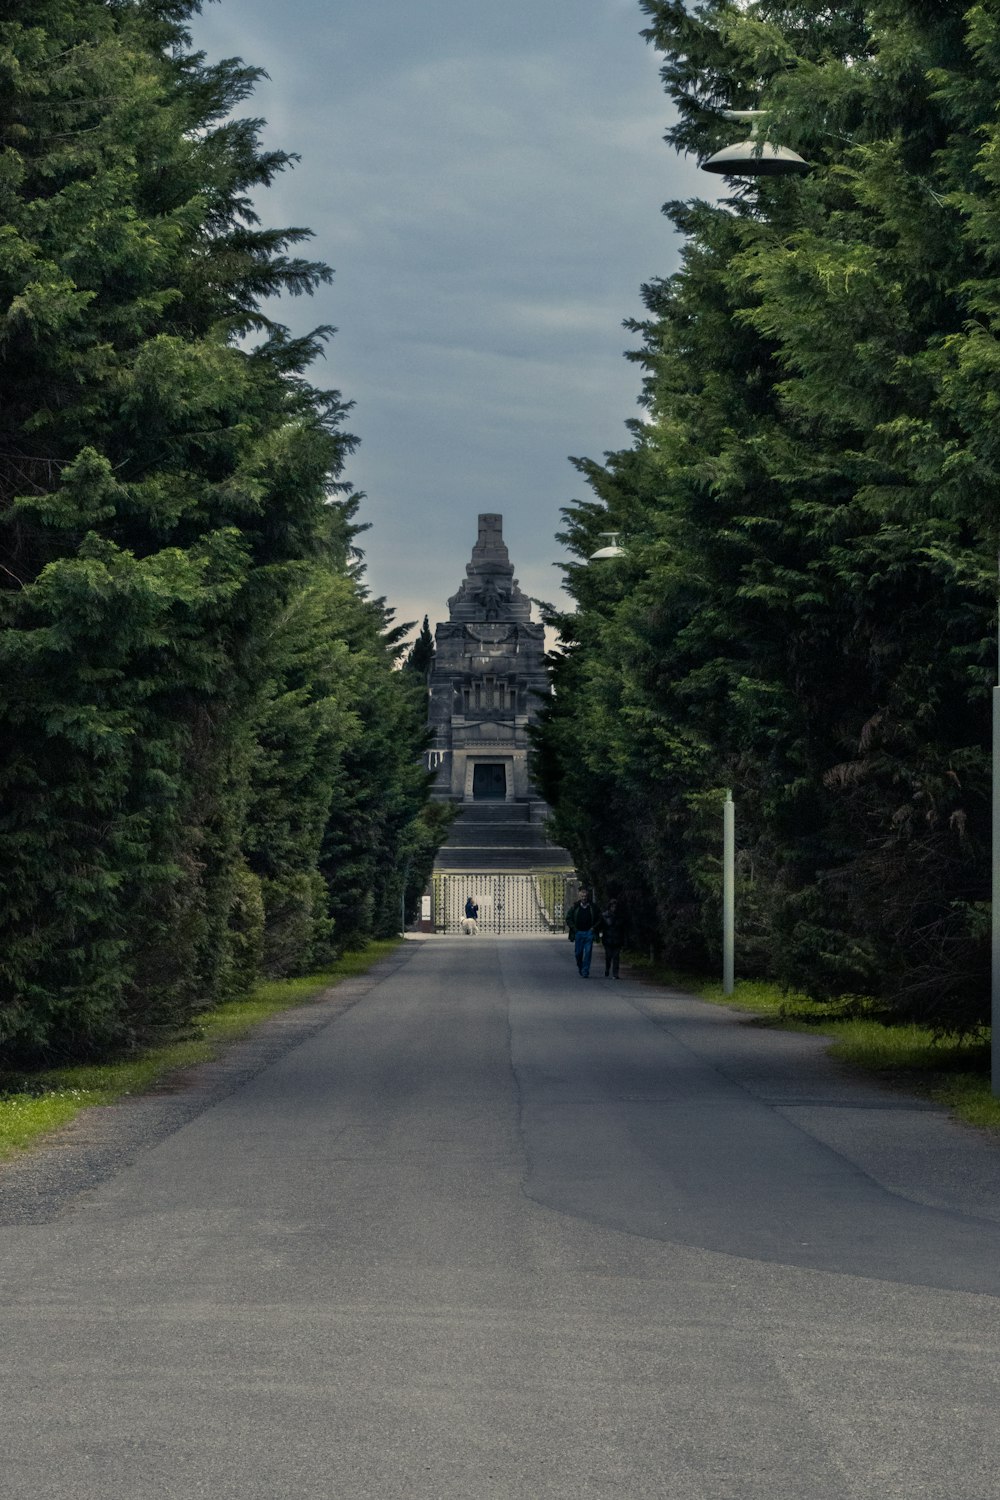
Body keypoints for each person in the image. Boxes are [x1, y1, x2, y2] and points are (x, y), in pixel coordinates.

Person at [566, 887, 600, 978]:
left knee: (588, 953)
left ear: (587, 896)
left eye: (585, 896)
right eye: (582, 896)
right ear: (579, 896)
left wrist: (594, 928)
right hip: (579, 933)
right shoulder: (575, 907)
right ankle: (580, 966)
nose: (584, 898)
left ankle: (585, 971)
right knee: (578, 953)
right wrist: (574, 929)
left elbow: (599, 918)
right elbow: (568, 918)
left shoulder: (593, 907)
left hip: (589, 933)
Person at [600, 897, 626, 978]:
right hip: (608, 939)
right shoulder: (605, 915)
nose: (614, 908)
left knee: (616, 957)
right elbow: (602, 926)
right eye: (612, 907)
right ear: (609, 907)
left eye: (615, 907)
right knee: (608, 956)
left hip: (617, 939)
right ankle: (607, 968)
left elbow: (623, 928)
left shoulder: (620, 916)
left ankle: (615, 973)